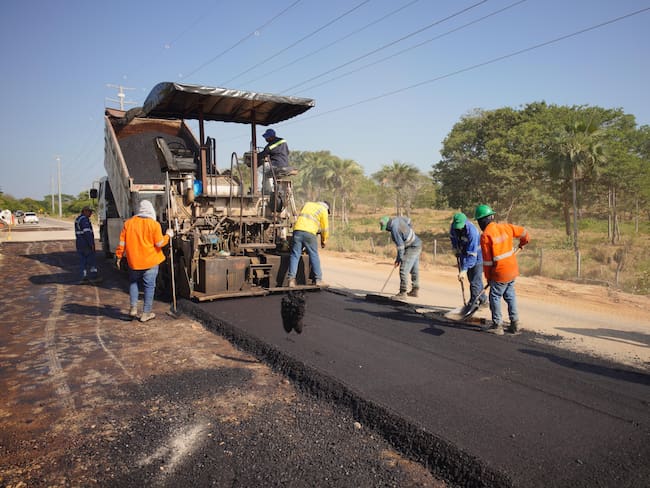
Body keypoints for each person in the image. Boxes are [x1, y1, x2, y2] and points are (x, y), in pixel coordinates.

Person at [474, 204, 530, 335]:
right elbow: (525, 233)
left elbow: (487, 262)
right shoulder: (506, 227)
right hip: (512, 269)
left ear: (483, 220)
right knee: (510, 295)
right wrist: (523, 242)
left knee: (494, 296)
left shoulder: (486, 235)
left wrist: (489, 277)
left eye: (479, 221)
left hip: (500, 272)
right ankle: (515, 323)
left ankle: (497, 325)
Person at [114, 200, 172, 322]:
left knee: (133, 283)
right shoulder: (154, 224)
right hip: (150, 262)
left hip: (134, 262)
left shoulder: (128, 224)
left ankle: (133, 308)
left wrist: (119, 256)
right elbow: (159, 243)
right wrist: (168, 235)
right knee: (149, 287)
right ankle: (146, 313)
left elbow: (122, 243)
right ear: (151, 210)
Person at [449, 212, 487, 314]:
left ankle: (473, 304)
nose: (459, 229)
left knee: (474, 281)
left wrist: (464, 269)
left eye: (460, 227)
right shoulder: (453, 227)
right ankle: (483, 300)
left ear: (465, 222)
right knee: (473, 280)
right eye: (457, 227)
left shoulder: (472, 232)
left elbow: (472, 255)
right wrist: (455, 248)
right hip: (463, 254)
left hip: (477, 255)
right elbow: (453, 238)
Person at [287, 201, 330, 288]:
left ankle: (291, 280)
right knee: (313, 255)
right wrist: (324, 241)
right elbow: (325, 228)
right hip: (309, 234)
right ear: (327, 208)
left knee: (295, 255)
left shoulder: (307, 204)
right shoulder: (323, 210)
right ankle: (318, 280)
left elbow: (303, 218)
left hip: (297, 231)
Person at [379, 215, 422, 298]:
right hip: (417, 243)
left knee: (403, 269)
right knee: (414, 268)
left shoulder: (394, 230)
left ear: (388, 224)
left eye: (385, 227)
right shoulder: (398, 219)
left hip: (412, 247)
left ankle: (403, 292)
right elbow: (409, 221)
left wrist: (398, 259)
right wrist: (410, 232)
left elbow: (400, 247)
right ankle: (415, 290)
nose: (387, 230)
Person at [257, 128, 289, 192]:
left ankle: (258, 190)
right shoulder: (282, 141)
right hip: (284, 163)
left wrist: (255, 156)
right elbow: (287, 152)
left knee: (259, 170)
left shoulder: (272, 144)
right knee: (266, 174)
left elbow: (265, 152)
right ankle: (269, 192)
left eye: (267, 137)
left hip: (276, 163)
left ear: (271, 137)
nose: (265, 139)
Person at [74, 206, 100, 284]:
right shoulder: (84, 220)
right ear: (85, 211)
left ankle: (83, 277)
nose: (91, 213)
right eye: (89, 212)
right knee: (91, 261)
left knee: (82, 262)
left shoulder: (78, 219)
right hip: (86, 244)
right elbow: (87, 233)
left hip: (79, 244)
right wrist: (91, 244)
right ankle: (94, 277)